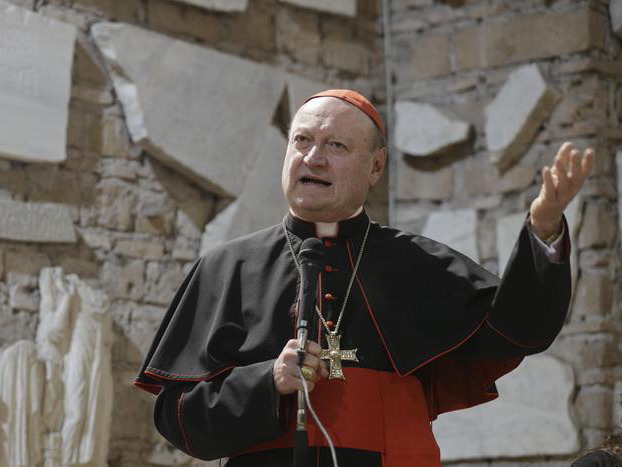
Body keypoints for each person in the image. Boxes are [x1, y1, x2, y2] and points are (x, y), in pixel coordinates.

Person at [135, 90, 593, 466]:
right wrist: (266, 381)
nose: (313, 158)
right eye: (302, 141)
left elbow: (515, 330)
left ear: (375, 167)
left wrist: (544, 228)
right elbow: (177, 417)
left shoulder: (418, 263)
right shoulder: (227, 268)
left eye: (336, 146)